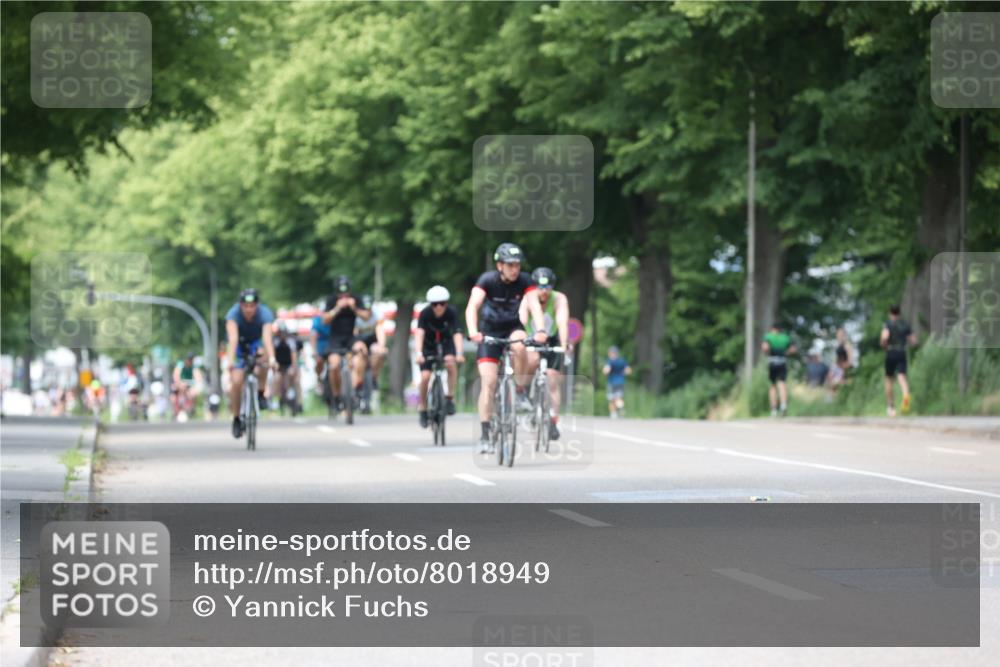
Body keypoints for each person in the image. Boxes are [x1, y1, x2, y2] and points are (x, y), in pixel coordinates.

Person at [466, 242, 547, 453]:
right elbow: (473, 306)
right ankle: (485, 435)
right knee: (489, 382)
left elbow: (534, 304)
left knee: (521, 345)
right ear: (500, 265)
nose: (515, 269)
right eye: (510, 265)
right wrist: (473, 331)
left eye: (517, 265)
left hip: (512, 327)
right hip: (489, 331)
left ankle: (519, 390)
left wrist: (540, 330)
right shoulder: (487, 280)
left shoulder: (525, 280)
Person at [518, 267, 569, 441]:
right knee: (532, 360)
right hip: (531, 338)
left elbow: (562, 322)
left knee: (553, 378)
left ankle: (553, 419)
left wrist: (564, 344)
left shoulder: (559, 298)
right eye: (540, 287)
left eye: (548, 287)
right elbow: (522, 320)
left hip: (552, 339)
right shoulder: (528, 298)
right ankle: (524, 390)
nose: (544, 291)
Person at [226, 288, 277, 438]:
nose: (249, 309)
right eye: (245, 306)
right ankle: (236, 418)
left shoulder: (265, 314)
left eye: (252, 306)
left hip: (257, 344)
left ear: (257, 305)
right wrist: (230, 361)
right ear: (240, 305)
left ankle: (261, 392)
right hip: (239, 346)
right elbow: (233, 339)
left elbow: (267, 338)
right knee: (236, 381)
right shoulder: (233, 314)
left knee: (264, 358)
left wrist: (272, 359)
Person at [414, 285, 465, 428]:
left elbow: (457, 333)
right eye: (435, 304)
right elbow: (419, 334)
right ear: (430, 305)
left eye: (442, 303)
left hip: (445, 343)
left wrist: (459, 354)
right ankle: (423, 407)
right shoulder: (425, 314)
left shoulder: (451, 313)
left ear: (446, 303)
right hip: (428, 345)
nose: (438, 307)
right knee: (425, 376)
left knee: (450, 364)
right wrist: (419, 353)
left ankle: (449, 398)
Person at [320, 275, 364, 410]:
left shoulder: (355, 299)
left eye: (346, 291)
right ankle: (337, 396)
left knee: (361, 350)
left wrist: (354, 307)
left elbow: (367, 316)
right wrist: (337, 308)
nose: (344, 295)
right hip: (335, 339)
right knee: (334, 366)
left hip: (351, 336)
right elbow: (324, 320)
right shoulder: (331, 300)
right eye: (341, 292)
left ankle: (357, 388)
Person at [881, 304, 917, 417]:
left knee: (889, 379)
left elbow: (884, 338)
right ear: (899, 313)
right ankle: (906, 395)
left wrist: (884, 344)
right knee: (902, 377)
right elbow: (914, 341)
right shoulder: (905, 324)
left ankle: (891, 407)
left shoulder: (888, 324)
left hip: (891, 352)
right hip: (902, 352)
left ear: (890, 313)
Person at [354, 294, 387, 391]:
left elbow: (380, 330)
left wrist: (381, 345)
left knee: (380, 353)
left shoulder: (377, 313)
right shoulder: (356, 316)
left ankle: (374, 377)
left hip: (372, 339)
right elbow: (354, 333)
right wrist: (358, 344)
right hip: (360, 339)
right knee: (358, 357)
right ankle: (358, 382)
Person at [762, 324, 796, 416]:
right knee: (782, 383)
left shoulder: (768, 336)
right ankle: (783, 405)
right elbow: (793, 349)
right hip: (782, 362)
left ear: (772, 329)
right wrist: (786, 352)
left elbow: (765, 347)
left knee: (772, 385)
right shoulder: (785, 337)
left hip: (772, 362)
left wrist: (767, 351)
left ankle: (773, 409)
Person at [271, 321, 299, 412]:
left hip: (288, 364)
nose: (282, 335)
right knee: (277, 378)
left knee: (291, 376)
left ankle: (291, 393)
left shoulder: (290, 341)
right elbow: (273, 355)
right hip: (278, 364)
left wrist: (293, 367)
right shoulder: (275, 340)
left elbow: (293, 355)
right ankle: (276, 398)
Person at [171, 354, 204, 419]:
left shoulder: (194, 366)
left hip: (189, 385)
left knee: (192, 393)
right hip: (180, 384)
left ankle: (190, 409)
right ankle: (176, 410)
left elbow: (198, 377)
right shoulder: (180, 365)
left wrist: (194, 384)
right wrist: (180, 383)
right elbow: (176, 376)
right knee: (174, 395)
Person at [603, 346, 631, 418]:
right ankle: (621, 410)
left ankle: (613, 414)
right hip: (620, 382)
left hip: (612, 382)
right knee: (619, 398)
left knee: (612, 399)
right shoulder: (622, 361)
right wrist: (622, 374)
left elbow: (606, 370)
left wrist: (605, 372)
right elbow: (628, 370)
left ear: (611, 353)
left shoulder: (610, 361)